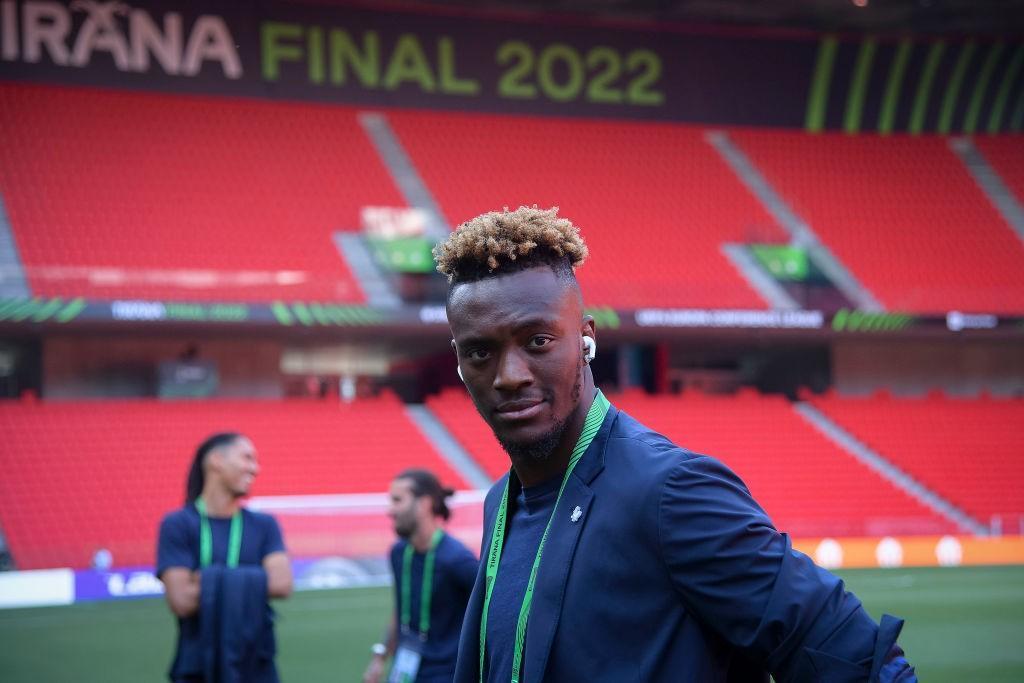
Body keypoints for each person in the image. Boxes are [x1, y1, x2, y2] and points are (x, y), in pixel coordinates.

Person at [434, 206, 916, 682]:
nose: (509, 376)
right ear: (459, 363)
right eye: (480, 352)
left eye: (537, 341)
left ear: (585, 339)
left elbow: (855, 658)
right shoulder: (502, 501)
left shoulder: (670, 492)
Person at [156, 432, 293, 683]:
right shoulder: (177, 524)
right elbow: (181, 601)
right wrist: (255, 579)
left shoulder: (264, 524)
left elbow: (282, 584)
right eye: (247, 458)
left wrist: (205, 579)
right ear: (216, 460)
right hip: (197, 665)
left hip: (257, 663)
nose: (256, 469)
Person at [364, 469, 479, 683]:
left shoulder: (457, 560)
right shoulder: (398, 553)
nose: (390, 509)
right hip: (404, 670)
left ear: (424, 503)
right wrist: (380, 656)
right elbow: (401, 608)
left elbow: (490, 613)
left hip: (447, 674)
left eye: (397, 500)